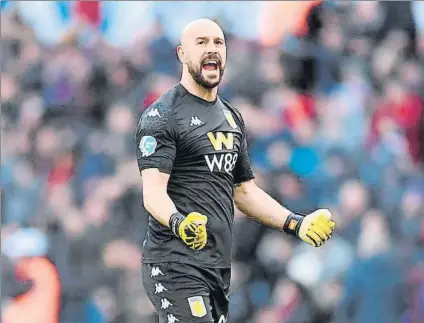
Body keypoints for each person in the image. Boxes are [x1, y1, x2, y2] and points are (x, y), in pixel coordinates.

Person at [135, 19, 336, 323]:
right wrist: (180, 222)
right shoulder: (162, 116)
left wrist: (296, 223)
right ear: (181, 54)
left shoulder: (230, 118)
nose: (212, 50)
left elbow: (244, 192)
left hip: (215, 265)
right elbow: (153, 194)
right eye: (201, 43)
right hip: (174, 261)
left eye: (218, 43)